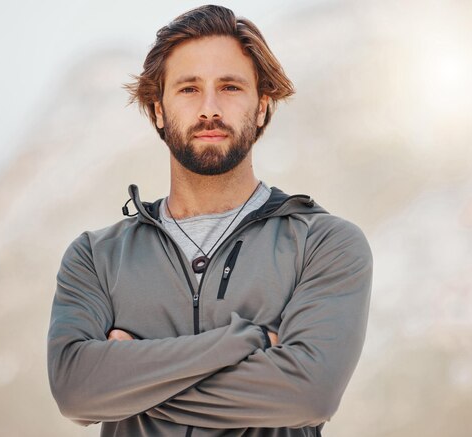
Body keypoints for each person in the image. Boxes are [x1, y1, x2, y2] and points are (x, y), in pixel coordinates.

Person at [47, 5, 372, 437]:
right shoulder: (95, 257)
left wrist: (132, 384)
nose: (209, 108)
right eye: (188, 89)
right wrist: (248, 341)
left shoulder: (324, 244)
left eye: (231, 87)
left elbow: (309, 395)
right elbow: (75, 390)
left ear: (262, 106)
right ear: (158, 110)